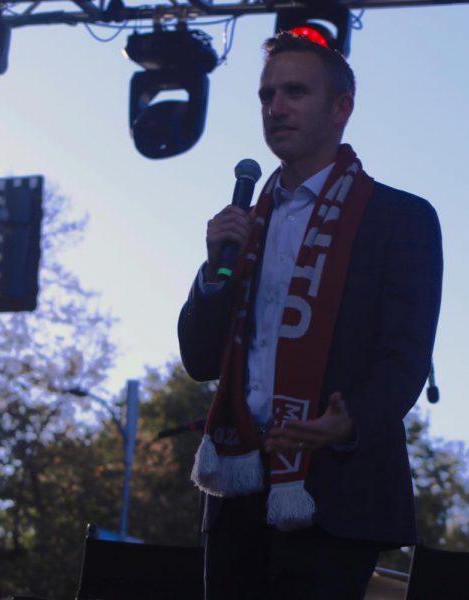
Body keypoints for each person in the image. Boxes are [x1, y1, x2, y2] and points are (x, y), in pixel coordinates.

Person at [178, 32, 442, 600]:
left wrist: (349, 422)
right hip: (237, 484)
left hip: (337, 490)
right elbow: (199, 359)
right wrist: (213, 270)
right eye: (267, 95)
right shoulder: (246, 223)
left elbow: (405, 358)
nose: (276, 108)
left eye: (295, 91)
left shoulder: (400, 218)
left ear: (341, 107)